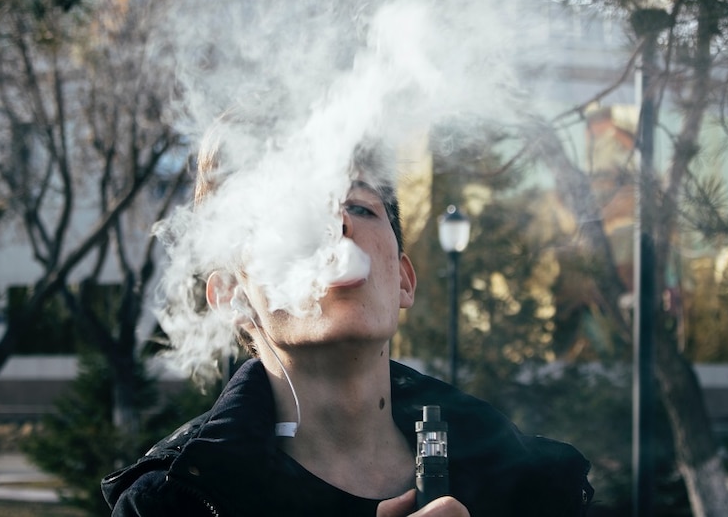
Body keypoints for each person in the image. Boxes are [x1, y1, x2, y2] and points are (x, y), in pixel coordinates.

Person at [101, 128, 594, 517]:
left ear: (403, 280)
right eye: (292, 211)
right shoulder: (171, 503)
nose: (336, 225)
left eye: (359, 206)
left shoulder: (522, 477)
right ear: (232, 295)